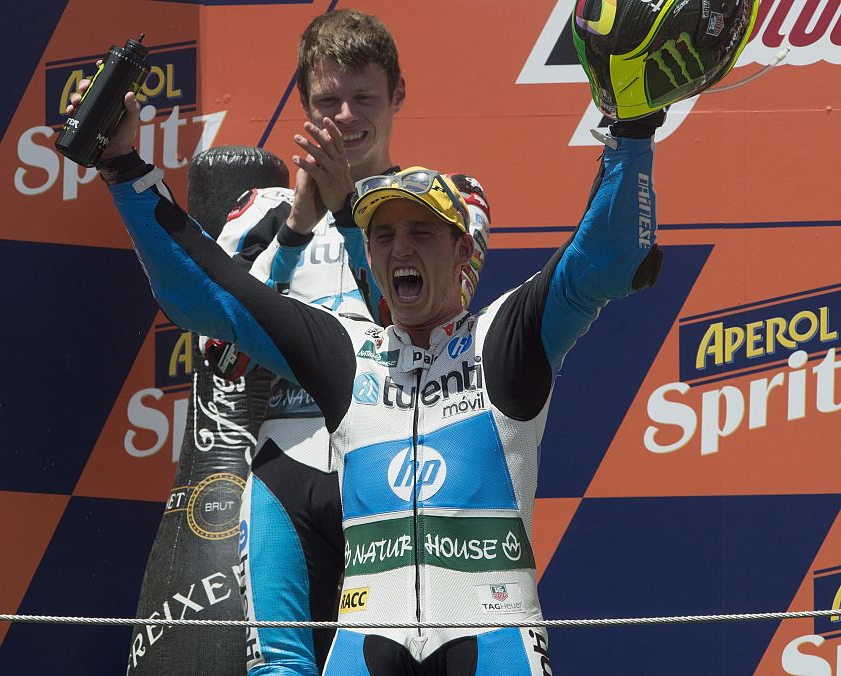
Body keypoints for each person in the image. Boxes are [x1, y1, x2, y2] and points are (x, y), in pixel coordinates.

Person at [95, 87, 666, 671]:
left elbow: (608, 258)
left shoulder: (504, 337)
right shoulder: (344, 349)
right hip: (365, 643)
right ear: (366, 252)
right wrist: (123, 167)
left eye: (421, 232)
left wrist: (634, 130)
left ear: (461, 247)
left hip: (495, 641)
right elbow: (207, 291)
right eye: (384, 235)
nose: (400, 249)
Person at [71, 10, 489, 675]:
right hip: (285, 460)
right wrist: (296, 223)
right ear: (303, 102)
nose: (346, 115)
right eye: (328, 100)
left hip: (397, 463)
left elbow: (421, 324)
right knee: (278, 666)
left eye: (364, 98)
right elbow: (221, 345)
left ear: (399, 96)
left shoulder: (445, 201)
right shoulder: (257, 214)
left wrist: (354, 212)